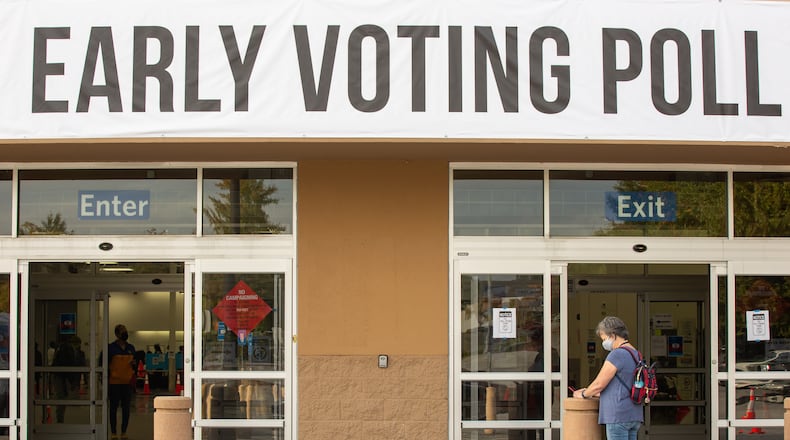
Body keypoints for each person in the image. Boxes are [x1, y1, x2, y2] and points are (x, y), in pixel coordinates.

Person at [572, 316, 643, 440]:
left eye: (604, 338)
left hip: (618, 416)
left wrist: (584, 393)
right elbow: (622, 385)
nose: (604, 343)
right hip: (634, 414)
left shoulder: (617, 354)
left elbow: (599, 383)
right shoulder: (636, 354)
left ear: (613, 335)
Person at [108, 324, 136, 440]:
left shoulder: (131, 348)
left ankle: (124, 432)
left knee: (126, 409)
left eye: (125, 331)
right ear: (117, 334)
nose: (125, 333)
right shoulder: (110, 348)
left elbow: (134, 364)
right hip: (114, 383)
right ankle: (113, 432)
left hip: (127, 383)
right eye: (122, 331)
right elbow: (104, 364)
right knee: (113, 408)